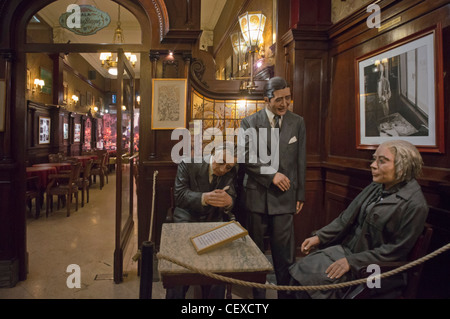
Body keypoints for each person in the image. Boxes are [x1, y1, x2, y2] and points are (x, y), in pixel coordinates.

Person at [288, 140, 428, 299]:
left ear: (404, 166)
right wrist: (320, 237)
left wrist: (352, 262)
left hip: (375, 270)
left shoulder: (415, 205)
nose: (373, 165)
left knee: (313, 284)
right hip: (348, 250)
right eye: (374, 159)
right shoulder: (377, 186)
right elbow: (345, 219)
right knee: (300, 271)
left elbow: (395, 251)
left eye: (382, 161)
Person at [239, 76, 306, 299]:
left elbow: (300, 161)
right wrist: (272, 175)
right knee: (256, 254)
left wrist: (301, 193)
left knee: (285, 256)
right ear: (266, 99)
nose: (285, 104)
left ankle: (285, 296)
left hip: (286, 198)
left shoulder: (297, 122)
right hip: (256, 198)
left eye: (288, 98)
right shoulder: (248, 122)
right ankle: (258, 298)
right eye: (279, 99)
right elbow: (246, 156)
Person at [166, 142, 238, 299]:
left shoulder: (230, 172)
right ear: (213, 153)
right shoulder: (188, 164)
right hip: (187, 218)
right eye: (221, 162)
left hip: (213, 220)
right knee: (179, 267)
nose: (223, 169)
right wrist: (204, 198)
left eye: (228, 166)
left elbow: (232, 197)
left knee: (219, 268)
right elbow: (179, 196)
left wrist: (229, 202)